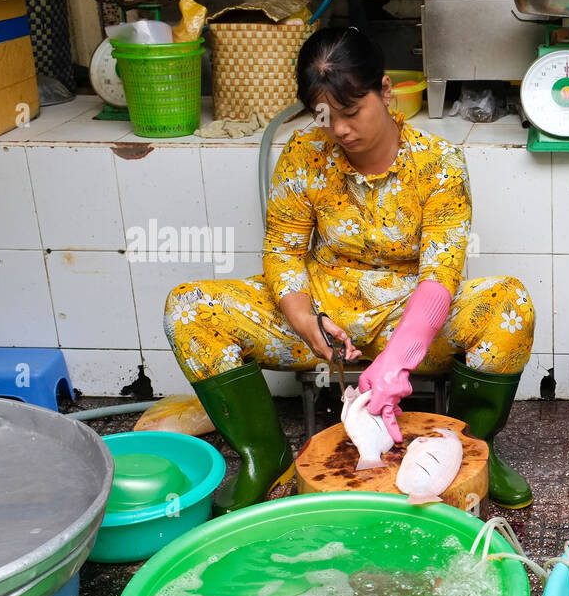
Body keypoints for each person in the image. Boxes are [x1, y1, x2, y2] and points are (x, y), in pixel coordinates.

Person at [165, 26, 535, 512]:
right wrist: (304, 321)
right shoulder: (304, 153)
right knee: (189, 308)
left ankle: (475, 449)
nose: (339, 129)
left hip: (415, 319)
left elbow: (440, 275)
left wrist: (395, 363)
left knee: (509, 303)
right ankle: (264, 455)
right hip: (326, 312)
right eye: (326, 116)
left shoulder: (439, 162)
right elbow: (282, 251)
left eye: (352, 110)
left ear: (384, 92)